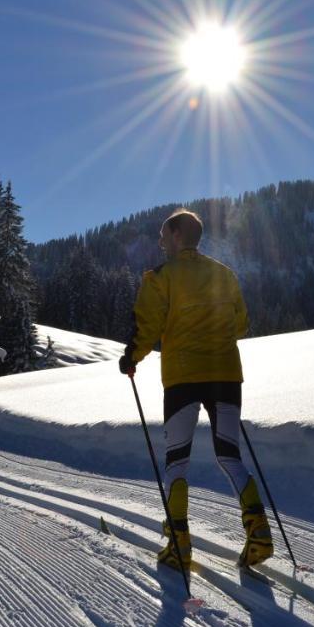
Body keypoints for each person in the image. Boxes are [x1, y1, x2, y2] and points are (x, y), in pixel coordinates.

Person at [119, 210, 273, 570]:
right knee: (230, 456)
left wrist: (131, 357)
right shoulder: (224, 273)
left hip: (183, 379)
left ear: (176, 236)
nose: (159, 242)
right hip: (226, 376)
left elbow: (149, 325)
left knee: (177, 459)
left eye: (162, 235)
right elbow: (241, 323)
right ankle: (259, 532)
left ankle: (179, 544)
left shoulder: (161, 277)